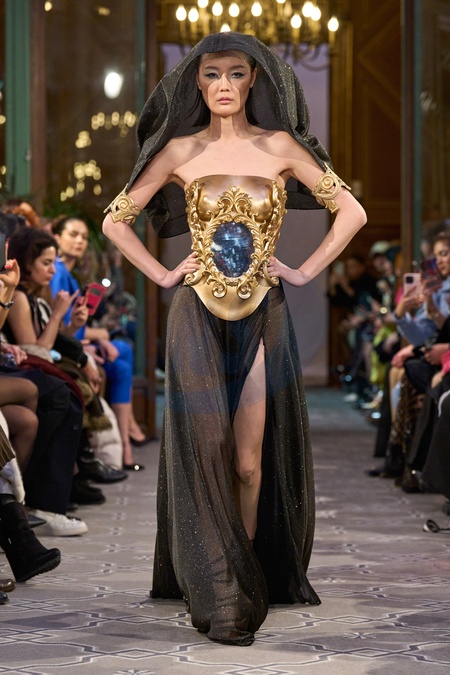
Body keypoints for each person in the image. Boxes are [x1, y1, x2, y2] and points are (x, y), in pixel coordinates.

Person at [102, 32, 366, 646]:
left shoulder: (282, 147)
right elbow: (116, 221)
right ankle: (221, 591)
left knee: (249, 461)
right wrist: (162, 274)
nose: (223, 84)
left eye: (236, 73)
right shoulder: (177, 150)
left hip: (262, 311)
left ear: (254, 80)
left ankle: (246, 572)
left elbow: (350, 211)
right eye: (212, 74)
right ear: (197, 83)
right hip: (196, 310)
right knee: (208, 446)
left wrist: (302, 271)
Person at [49, 215, 147, 469]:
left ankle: (124, 443)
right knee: (122, 354)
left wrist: (91, 341)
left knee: (122, 356)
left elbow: (75, 324)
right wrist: (86, 345)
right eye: (73, 235)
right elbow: (58, 324)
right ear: (57, 238)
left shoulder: (70, 274)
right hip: (64, 348)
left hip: (75, 343)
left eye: (83, 237)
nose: (80, 241)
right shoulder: (57, 273)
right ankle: (125, 441)